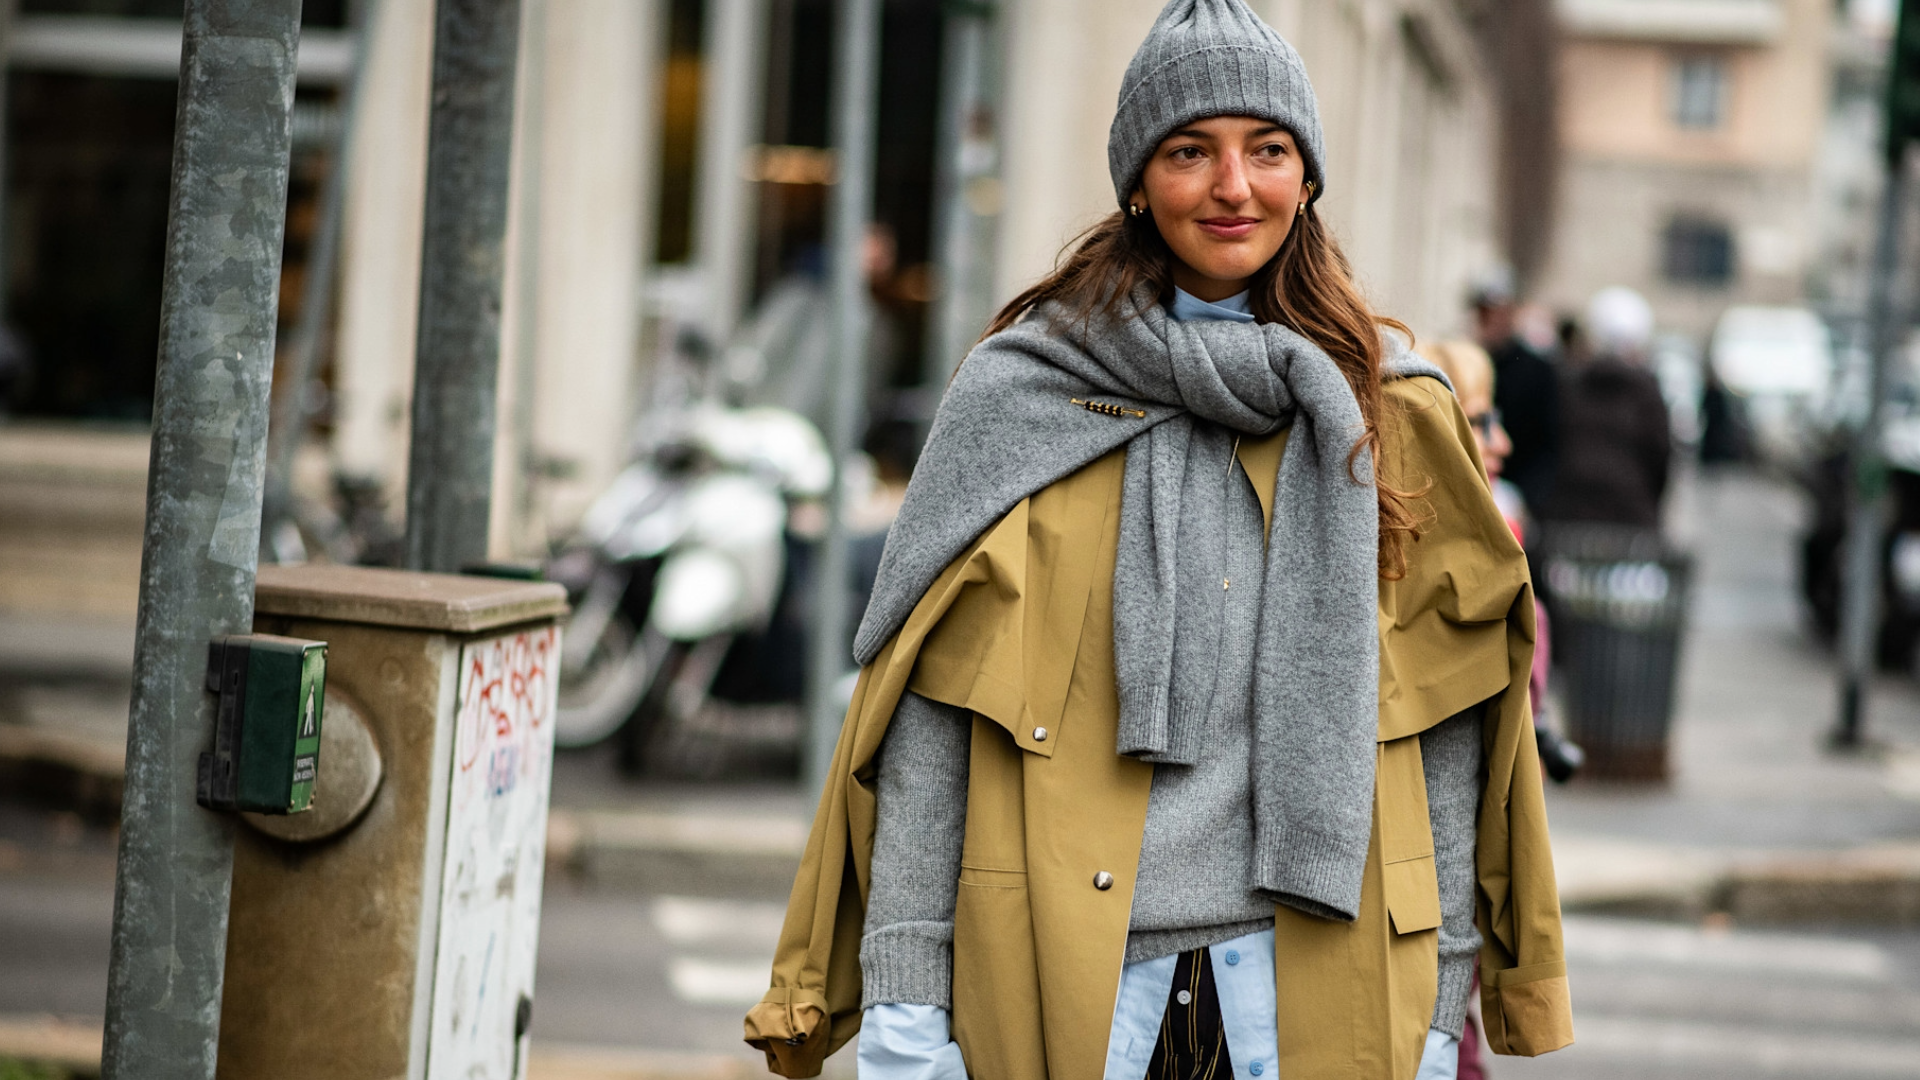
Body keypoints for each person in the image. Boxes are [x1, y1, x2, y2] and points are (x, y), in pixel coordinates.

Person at [745, 3, 1572, 1078]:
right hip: (1058, 981)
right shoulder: (1023, 398)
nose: (1234, 187)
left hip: (1323, 986)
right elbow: (930, 724)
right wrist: (906, 1014)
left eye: (1267, 150)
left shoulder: (1391, 414)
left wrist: (1435, 1009)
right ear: (1139, 177)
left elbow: (1450, 730)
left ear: (1306, 175)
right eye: (1192, 151)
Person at [1547, 287, 1671, 529]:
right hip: (1632, 520)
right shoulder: (1647, 393)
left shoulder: (1567, 384)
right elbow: (1660, 457)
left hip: (1569, 520)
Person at [1472, 274, 1560, 517]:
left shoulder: (1536, 371)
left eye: (1500, 313)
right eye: (1486, 314)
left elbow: (1548, 442)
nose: (1492, 322)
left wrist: (1530, 499)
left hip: (1519, 494)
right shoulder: (1466, 362)